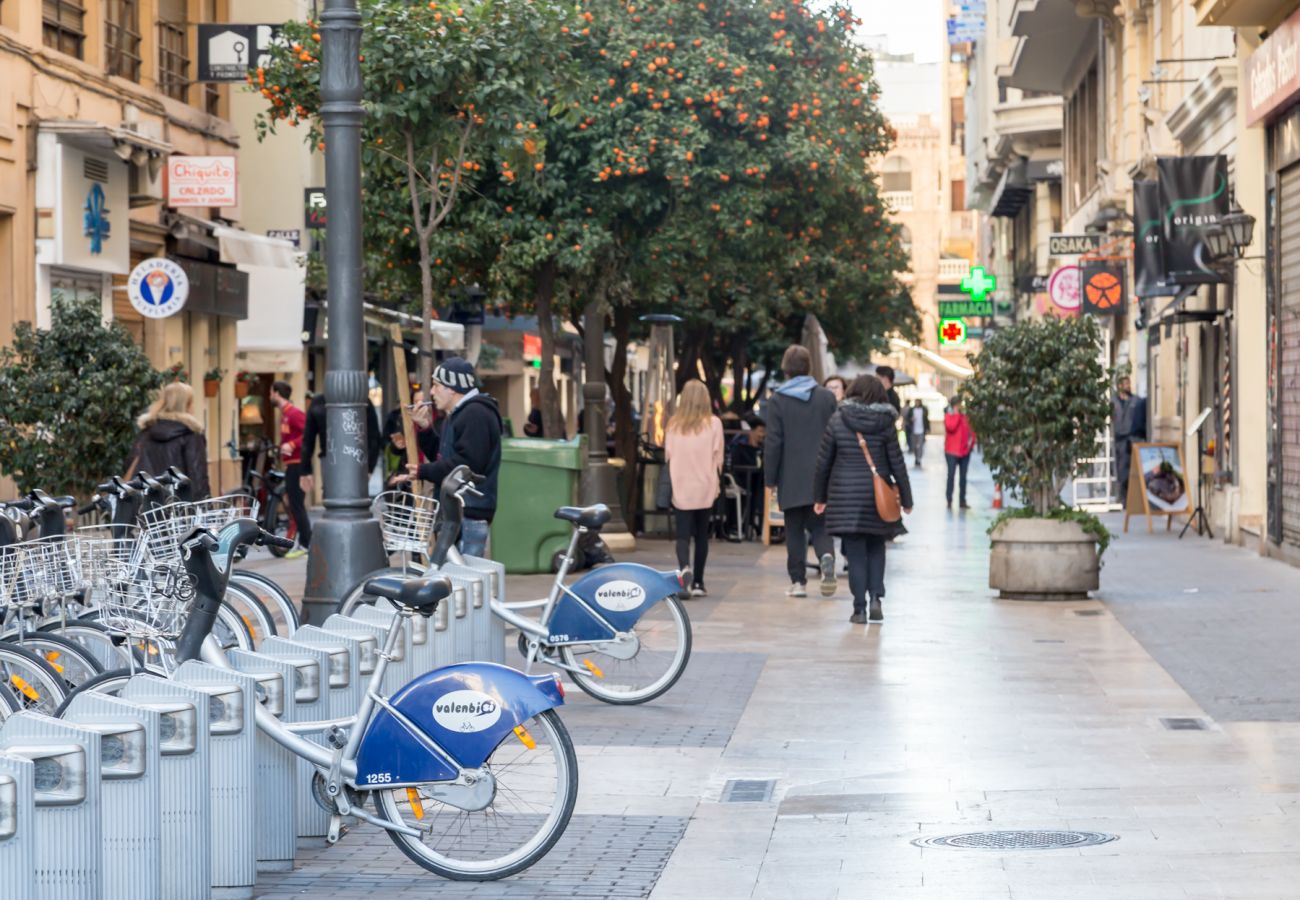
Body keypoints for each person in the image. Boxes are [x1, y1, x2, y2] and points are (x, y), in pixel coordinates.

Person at [814, 375, 913, 624]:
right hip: (877, 497)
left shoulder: (838, 420)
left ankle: (859, 609)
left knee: (855, 552)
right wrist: (907, 498)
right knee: (877, 547)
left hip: (845, 496)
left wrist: (820, 496)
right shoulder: (886, 423)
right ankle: (876, 599)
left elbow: (823, 462)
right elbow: (897, 463)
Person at [398, 357, 503, 557]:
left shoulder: (475, 414)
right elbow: (444, 455)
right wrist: (425, 428)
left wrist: (423, 471)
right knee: (456, 579)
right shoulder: (459, 413)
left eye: (436, 385)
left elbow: (466, 466)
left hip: (468, 511)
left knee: (464, 579)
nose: (431, 392)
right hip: (459, 510)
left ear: (452, 388)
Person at [765, 345, 839, 598]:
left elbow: (774, 442)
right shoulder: (826, 398)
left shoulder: (777, 401)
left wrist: (770, 478)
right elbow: (835, 436)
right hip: (822, 474)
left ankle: (798, 582)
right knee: (821, 526)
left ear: (785, 368)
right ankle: (826, 556)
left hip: (791, 476)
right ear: (808, 367)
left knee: (794, 529)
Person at [664, 380, 724, 597]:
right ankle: (699, 583)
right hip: (705, 486)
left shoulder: (673, 425)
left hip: (681, 485)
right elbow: (718, 457)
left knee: (682, 535)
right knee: (701, 536)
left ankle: (684, 571)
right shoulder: (714, 423)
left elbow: (668, 455)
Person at [130, 381, 211, 499]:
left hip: (147, 507)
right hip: (178, 508)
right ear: (187, 405)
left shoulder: (146, 432)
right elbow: (198, 478)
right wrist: (204, 508)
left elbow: (131, 465)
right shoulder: (191, 434)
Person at [299, 393, 382, 495]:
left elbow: (308, 440)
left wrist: (305, 470)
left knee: (337, 498)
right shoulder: (361, 399)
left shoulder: (319, 402)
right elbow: (308, 439)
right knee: (349, 498)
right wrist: (305, 470)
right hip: (346, 459)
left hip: (346, 459)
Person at [270, 380, 310, 557]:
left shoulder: (294, 414)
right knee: (295, 505)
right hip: (291, 464)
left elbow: (308, 433)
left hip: (297, 465)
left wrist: (292, 445)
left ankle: (306, 544)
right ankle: (303, 542)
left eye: (271, 392)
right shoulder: (285, 414)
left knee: (297, 505)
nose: (270, 396)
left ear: (277, 393)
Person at [1113, 375, 1147, 499]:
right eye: (1125, 384)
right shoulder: (1114, 402)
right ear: (1119, 386)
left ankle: (1133, 498)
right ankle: (1123, 498)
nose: (1128, 386)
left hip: (1132, 438)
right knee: (1120, 471)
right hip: (1118, 439)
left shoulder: (1136, 401)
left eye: (1129, 383)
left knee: (1132, 471)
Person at [944, 396, 976, 510]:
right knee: (951, 476)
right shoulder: (949, 416)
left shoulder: (965, 417)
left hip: (965, 452)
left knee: (963, 477)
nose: (960, 406)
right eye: (958, 405)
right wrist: (956, 414)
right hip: (951, 452)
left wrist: (971, 444)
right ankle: (949, 499)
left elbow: (971, 431)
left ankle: (962, 501)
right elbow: (951, 427)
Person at [907, 399, 929, 468]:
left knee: (920, 446)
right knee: (914, 446)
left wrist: (927, 428)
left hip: (921, 430)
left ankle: (919, 458)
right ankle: (916, 458)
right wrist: (911, 419)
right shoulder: (911, 410)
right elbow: (907, 418)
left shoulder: (924, 410)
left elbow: (926, 419)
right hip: (913, 430)